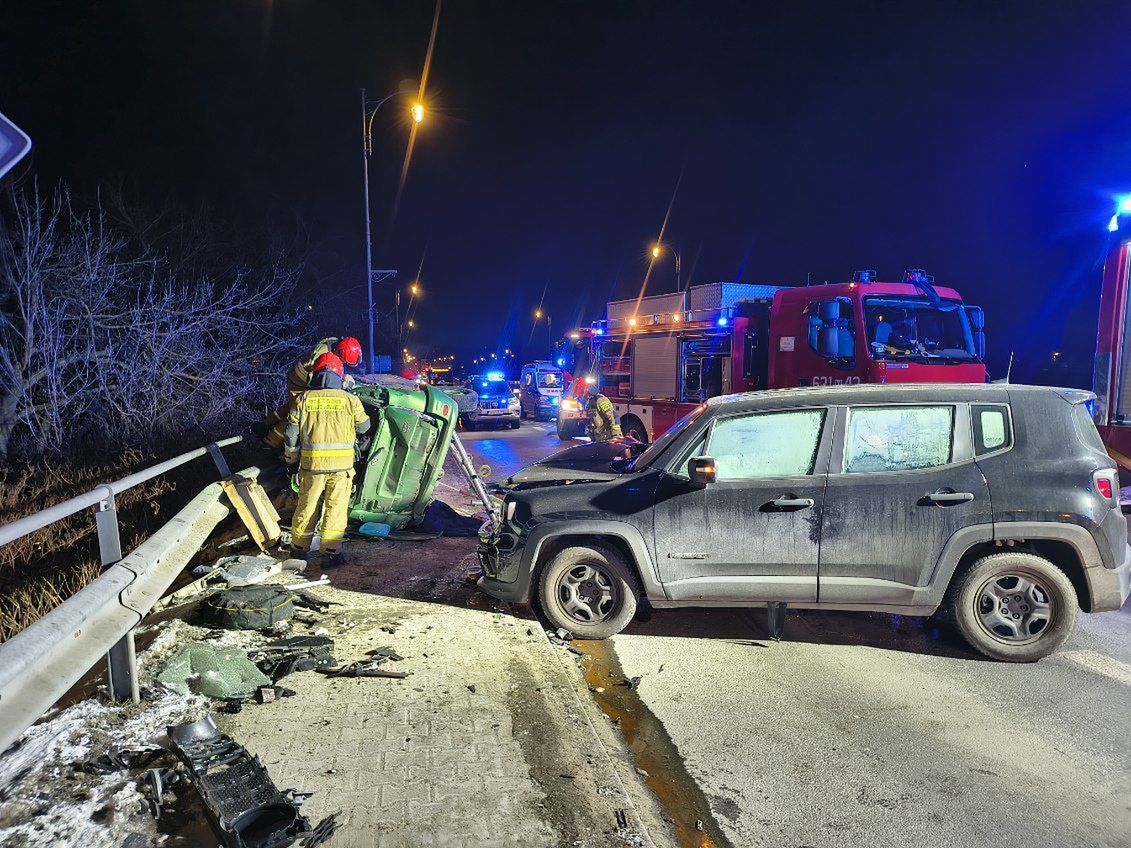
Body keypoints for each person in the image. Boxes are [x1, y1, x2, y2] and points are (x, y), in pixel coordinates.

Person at [283, 352, 371, 565]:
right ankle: (331, 553)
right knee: (336, 509)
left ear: (315, 374)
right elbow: (365, 428)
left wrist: (291, 461)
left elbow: (291, 436)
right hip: (342, 468)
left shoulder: (302, 400)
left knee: (307, 506)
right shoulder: (351, 400)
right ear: (340, 376)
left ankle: (298, 550)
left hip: (311, 466)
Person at [264, 336, 364, 449]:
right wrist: (343, 385)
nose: (343, 363)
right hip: (299, 383)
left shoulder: (332, 347)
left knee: (292, 406)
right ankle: (271, 441)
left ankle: (267, 422)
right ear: (340, 353)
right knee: (295, 414)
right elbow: (319, 381)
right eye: (343, 361)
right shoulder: (322, 353)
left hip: (299, 380)